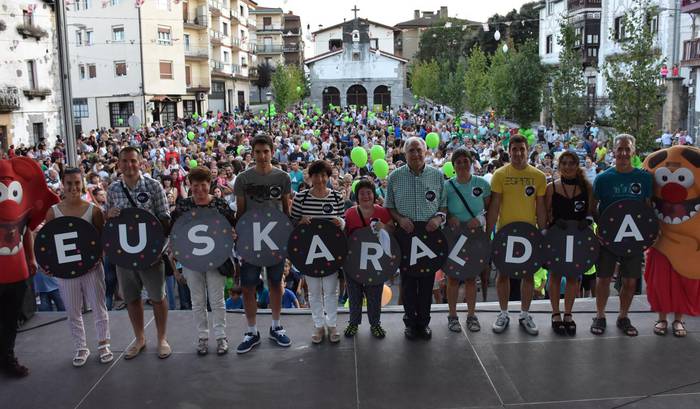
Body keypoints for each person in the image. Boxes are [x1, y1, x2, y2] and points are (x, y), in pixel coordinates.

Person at [105, 146, 172, 359]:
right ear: (119, 164)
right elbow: (108, 221)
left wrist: (156, 247)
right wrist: (109, 215)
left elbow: (166, 219)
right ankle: (140, 338)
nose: (129, 165)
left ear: (141, 162)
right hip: (124, 255)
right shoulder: (113, 189)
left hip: (151, 255)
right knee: (132, 298)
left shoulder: (153, 186)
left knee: (157, 298)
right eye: (124, 161)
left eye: (133, 160)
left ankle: (162, 339)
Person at [44, 167, 112, 366]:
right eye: (69, 183)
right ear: (62, 185)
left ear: (82, 183)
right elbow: (48, 242)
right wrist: (48, 264)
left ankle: (103, 343)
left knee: (99, 307)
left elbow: (102, 239)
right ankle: (81, 347)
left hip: (91, 269)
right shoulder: (53, 212)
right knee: (73, 310)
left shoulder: (94, 210)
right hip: (66, 271)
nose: (73, 187)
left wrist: (98, 257)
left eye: (76, 183)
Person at [233, 134, 292, 354]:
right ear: (252, 153)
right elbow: (240, 212)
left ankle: (276, 326)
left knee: (276, 283)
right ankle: (251, 331)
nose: (262, 156)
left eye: (265, 151)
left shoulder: (283, 177)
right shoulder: (243, 179)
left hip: (275, 239)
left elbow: (286, 210)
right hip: (250, 240)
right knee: (248, 286)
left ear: (272, 151)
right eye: (257, 152)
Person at [385, 137, 447, 340]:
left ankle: (424, 322)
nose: (416, 154)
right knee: (409, 282)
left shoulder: (437, 176)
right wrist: (400, 219)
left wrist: (438, 219)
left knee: (428, 281)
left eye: (419, 150)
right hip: (406, 237)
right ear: (405, 153)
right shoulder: (395, 177)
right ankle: (410, 323)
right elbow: (390, 206)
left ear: (426, 151)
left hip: (429, 237)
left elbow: (443, 206)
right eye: (411, 150)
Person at [591, 134, 653, 337]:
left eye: (627, 149)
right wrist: (601, 231)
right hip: (609, 238)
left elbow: (647, 207)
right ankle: (600, 315)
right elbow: (593, 208)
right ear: (613, 151)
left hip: (633, 239)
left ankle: (623, 317)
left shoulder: (644, 178)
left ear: (633, 151)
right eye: (620, 149)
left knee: (630, 281)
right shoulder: (602, 178)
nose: (624, 153)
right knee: (603, 278)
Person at [486, 134, 547, 336]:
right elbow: (494, 207)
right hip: (505, 233)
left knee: (528, 275)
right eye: (514, 149)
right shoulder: (500, 175)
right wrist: (489, 233)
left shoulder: (538, 176)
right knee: (503, 274)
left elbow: (540, 208)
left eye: (522, 149)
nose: (518, 153)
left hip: (529, 233)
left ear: (527, 150)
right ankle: (503, 313)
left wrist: (543, 231)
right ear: (509, 151)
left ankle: (524, 314)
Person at [171, 166, 235, 356]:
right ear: (190, 185)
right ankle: (202, 337)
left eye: (203, 185)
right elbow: (175, 233)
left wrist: (232, 234)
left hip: (216, 259)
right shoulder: (183, 206)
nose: (199, 190)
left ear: (210, 184)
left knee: (217, 300)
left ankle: (221, 336)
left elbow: (232, 229)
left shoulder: (220, 205)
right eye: (195, 185)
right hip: (191, 261)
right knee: (197, 300)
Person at [290, 159, 345, 344]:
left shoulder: (337, 197)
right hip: (309, 253)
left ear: (328, 177)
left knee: (331, 291)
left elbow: (344, 222)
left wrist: (341, 222)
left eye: (323, 175)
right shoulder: (301, 197)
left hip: (331, 252)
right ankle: (319, 325)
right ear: (310, 177)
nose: (320, 179)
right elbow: (292, 223)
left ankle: (332, 324)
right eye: (316, 175)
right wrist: (300, 222)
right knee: (313, 292)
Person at [544, 152, 595, 336]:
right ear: (559, 166)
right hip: (558, 238)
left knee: (574, 277)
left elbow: (590, 212)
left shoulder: (587, 187)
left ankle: (568, 314)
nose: (567, 166)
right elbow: (547, 212)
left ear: (577, 165)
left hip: (578, 238)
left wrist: (586, 222)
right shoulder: (551, 188)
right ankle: (555, 313)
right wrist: (553, 223)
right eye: (564, 163)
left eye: (571, 163)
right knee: (555, 276)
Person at [442, 148, 491, 333]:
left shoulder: (482, 184)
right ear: (453, 165)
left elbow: (489, 209)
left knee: (471, 277)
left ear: (471, 162)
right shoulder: (447, 186)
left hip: (474, 237)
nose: (462, 164)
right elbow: (442, 209)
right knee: (453, 277)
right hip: (454, 237)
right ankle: (452, 316)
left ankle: (471, 315)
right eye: (458, 162)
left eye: (465, 161)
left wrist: (478, 221)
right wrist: (450, 217)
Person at [343, 179, 393, 339]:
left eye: (369, 193)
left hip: (375, 262)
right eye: (362, 193)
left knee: (374, 294)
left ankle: (375, 324)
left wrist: (384, 227)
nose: (365, 196)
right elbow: (344, 236)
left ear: (374, 194)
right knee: (354, 294)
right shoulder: (350, 213)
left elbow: (393, 230)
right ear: (357, 196)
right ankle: (353, 323)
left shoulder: (382, 212)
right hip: (353, 262)